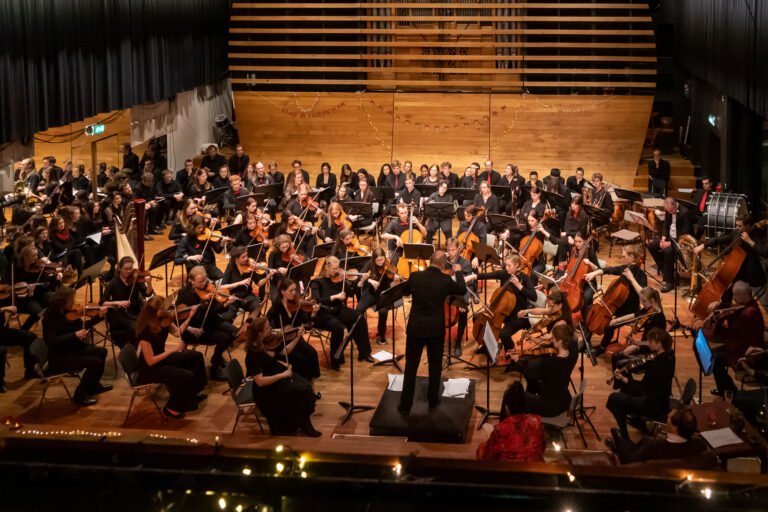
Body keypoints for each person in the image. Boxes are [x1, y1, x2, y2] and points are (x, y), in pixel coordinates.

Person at [398, 251, 466, 414]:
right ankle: (433, 400)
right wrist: (459, 271)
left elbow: (405, 292)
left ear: (430, 261)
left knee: (411, 366)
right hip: (435, 329)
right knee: (435, 365)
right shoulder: (445, 280)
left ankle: (405, 405)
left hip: (416, 328)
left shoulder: (415, 276)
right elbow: (462, 290)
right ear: (443, 265)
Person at [243, 315, 321, 437]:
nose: (272, 330)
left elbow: (285, 351)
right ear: (259, 333)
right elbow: (260, 382)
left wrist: (298, 337)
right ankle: (304, 425)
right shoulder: (253, 354)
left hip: (277, 374)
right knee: (302, 390)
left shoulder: (267, 342)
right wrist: (282, 375)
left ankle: (303, 422)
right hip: (267, 390)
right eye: (268, 328)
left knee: (305, 385)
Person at [136, 296, 206, 419]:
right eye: (163, 307)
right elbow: (150, 361)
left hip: (161, 359)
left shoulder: (164, 321)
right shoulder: (145, 332)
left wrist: (189, 317)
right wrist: (172, 350)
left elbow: (177, 333)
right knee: (185, 375)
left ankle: (193, 393)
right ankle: (171, 407)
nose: (166, 309)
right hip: (150, 369)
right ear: (154, 312)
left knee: (196, 356)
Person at [42, 287, 112, 406]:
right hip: (60, 357)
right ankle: (79, 396)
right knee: (94, 362)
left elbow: (84, 326)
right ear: (63, 302)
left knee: (102, 351)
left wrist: (99, 316)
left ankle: (94, 386)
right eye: (71, 301)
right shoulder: (49, 318)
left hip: (73, 349)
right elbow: (51, 341)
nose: (74, 303)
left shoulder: (70, 314)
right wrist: (74, 335)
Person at [606, 328, 675, 439]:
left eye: (651, 342)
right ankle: (636, 420)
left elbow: (642, 387)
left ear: (659, 344)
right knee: (625, 393)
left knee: (613, 399)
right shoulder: (670, 355)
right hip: (662, 398)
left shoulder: (657, 365)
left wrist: (623, 378)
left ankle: (624, 436)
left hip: (652, 404)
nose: (649, 344)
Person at [176, 266, 239, 381]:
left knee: (234, 332)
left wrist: (226, 304)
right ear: (192, 281)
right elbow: (177, 316)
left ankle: (217, 358)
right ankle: (214, 370)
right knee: (225, 337)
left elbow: (213, 312)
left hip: (209, 322)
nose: (204, 283)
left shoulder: (208, 289)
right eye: (201, 282)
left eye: (205, 280)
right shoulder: (184, 293)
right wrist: (189, 328)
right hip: (194, 329)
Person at [310, 256, 373, 370]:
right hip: (324, 313)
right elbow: (316, 299)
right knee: (338, 328)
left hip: (338, 310)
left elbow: (351, 292)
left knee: (359, 317)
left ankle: (364, 352)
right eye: (334, 268)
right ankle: (335, 359)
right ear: (326, 268)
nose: (337, 271)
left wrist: (361, 281)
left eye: (338, 268)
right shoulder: (317, 281)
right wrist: (334, 297)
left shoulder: (339, 280)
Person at [501, 324, 578, 417]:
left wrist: (518, 360)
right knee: (531, 385)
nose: (551, 340)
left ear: (561, 342)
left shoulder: (551, 363)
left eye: (553, 338)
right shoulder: (573, 354)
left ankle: (502, 426)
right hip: (563, 399)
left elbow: (530, 374)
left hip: (550, 406)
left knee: (509, 395)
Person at [704, 280, 765, 396]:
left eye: (735, 294)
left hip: (745, 353)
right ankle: (724, 389)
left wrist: (714, 323)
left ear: (743, 295)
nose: (733, 297)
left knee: (715, 359)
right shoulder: (747, 305)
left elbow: (729, 333)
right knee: (712, 355)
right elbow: (731, 314)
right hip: (738, 344)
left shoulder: (749, 313)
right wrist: (719, 305)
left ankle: (730, 391)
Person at [467, 254, 538, 352]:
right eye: (506, 265)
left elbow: (534, 297)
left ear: (517, 265)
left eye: (509, 266)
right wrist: (470, 277)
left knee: (504, 334)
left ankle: (512, 356)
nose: (506, 268)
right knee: (477, 317)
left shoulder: (524, 278)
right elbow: (485, 275)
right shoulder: (504, 274)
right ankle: (486, 346)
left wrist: (519, 286)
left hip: (518, 315)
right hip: (502, 311)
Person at [584, 245, 647, 354]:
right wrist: (594, 273)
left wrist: (632, 279)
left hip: (629, 311)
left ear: (632, 257)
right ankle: (586, 340)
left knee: (609, 326)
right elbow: (609, 270)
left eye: (624, 257)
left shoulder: (641, 275)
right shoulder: (624, 269)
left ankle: (602, 348)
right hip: (615, 307)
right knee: (591, 309)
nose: (622, 259)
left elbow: (643, 294)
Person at [694, 213, 768, 300]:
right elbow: (720, 239)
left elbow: (765, 252)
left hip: (750, 274)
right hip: (736, 271)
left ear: (748, 226)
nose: (737, 228)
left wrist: (750, 241)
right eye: (736, 225)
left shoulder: (757, 234)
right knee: (724, 293)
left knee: (731, 293)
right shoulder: (737, 233)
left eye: (740, 226)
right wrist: (703, 245)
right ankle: (721, 308)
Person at [266, 278, 321, 392]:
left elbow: (307, 322)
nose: (294, 293)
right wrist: (275, 332)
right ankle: (300, 386)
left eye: (294, 290)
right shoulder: (276, 307)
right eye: (290, 291)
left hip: (296, 338)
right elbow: (265, 322)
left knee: (313, 353)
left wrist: (314, 312)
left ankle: (311, 382)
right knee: (301, 359)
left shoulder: (297, 304)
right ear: (282, 291)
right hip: (283, 343)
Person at [607, 406, 708, 464]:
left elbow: (633, 462)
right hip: (644, 451)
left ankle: (615, 443)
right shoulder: (700, 444)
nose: (667, 415)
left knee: (618, 437)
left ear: (675, 428)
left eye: (670, 417)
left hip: (633, 462)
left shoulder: (655, 446)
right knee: (644, 440)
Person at [476, 383, 546, 462]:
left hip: (511, 471)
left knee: (482, 448)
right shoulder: (537, 421)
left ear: (506, 408)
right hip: (535, 468)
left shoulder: (500, 430)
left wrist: (489, 438)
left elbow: (488, 457)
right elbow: (542, 447)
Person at [100, 256, 155, 348]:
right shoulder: (113, 283)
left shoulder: (136, 280)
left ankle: (136, 350)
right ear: (120, 268)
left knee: (147, 326)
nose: (129, 271)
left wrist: (149, 283)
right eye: (126, 269)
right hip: (119, 315)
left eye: (130, 269)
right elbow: (103, 302)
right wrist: (118, 303)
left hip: (135, 312)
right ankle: (130, 350)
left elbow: (147, 294)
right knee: (135, 328)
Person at [609, 287, 667, 371]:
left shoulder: (659, 319)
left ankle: (624, 381)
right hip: (644, 345)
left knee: (619, 362)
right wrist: (617, 320)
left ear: (653, 300)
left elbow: (654, 343)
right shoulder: (648, 310)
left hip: (651, 351)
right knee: (616, 357)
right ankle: (622, 381)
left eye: (644, 301)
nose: (641, 303)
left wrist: (636, 346)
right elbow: (635, 315)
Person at [648, 197, 694, 292]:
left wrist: (669, 243)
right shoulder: (669, 211)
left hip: (681, 240)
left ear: (675, 205)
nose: (671, 212)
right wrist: (663, 239)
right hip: (669, 237)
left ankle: (670, 282)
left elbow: (684, 233)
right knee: (651, 246)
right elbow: (666, 225)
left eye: (672, 210)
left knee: (667, 251)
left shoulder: (685, 212)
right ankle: (666, 271)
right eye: (669, 211)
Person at [222, 245, 273, 314]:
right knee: (227, 316)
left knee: (256, 310)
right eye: (243, 257)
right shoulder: (231, 267)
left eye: (246, 256)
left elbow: (259, 283)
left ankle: (250, 324)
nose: (246, 258)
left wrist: (269, 276)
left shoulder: (250, 268)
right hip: (233, 298)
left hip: (248, 296)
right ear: (236, 259)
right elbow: (223, 287)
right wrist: (239, 283)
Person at [174, 215, 227, 280]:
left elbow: (218, 250)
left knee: (223, 279)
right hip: (196, 268)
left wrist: (222, 243)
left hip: (209, 266)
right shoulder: (186, 240)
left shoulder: (206, 235)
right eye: (199, 228)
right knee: (204, 283)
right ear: (192, 227)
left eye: (202, 227)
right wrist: (190, 257)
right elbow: (177, 260)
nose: (201, 230)